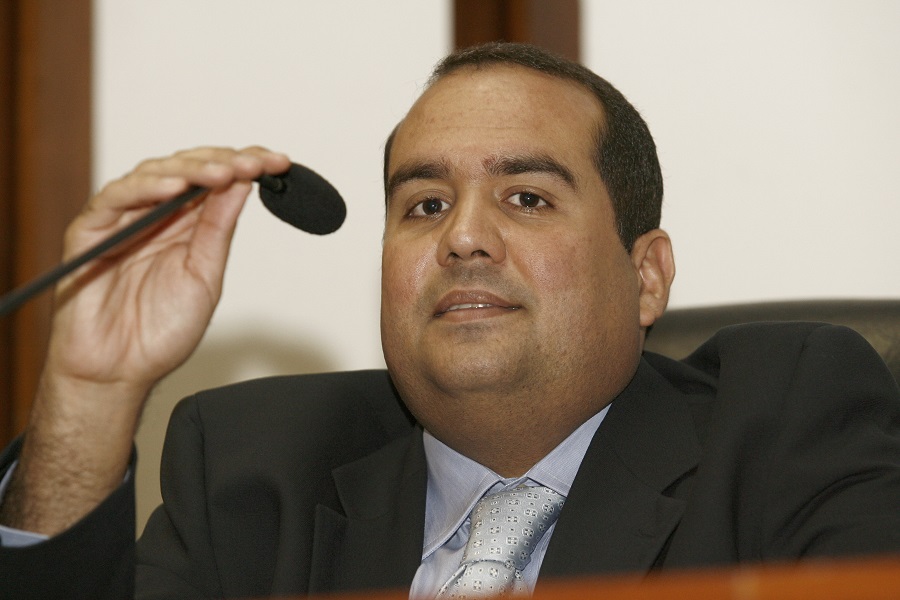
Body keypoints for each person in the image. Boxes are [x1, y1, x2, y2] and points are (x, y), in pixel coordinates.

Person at [1, 42, 898, 600]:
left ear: (646, 276)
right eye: (424, 205)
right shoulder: (251, 469)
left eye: (527, 197)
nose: (463, 237)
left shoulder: (783, 425)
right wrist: (89, 394)